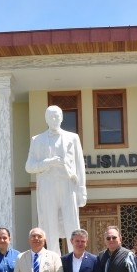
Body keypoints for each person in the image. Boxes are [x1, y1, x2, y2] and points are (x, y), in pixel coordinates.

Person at [26, 105, 86, 254]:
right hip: (47, 186)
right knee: (49, 224)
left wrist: (82, 190)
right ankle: (52, 259)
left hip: (68, 184)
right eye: (51, 116)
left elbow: (80, 165)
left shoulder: (73, 137)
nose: (54, 119)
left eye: (57, 116)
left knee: (72, 222)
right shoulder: (37, 140)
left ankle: (76, 257)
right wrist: (48, 162)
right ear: (46, 119)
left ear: (62, 117)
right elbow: (29, 166)